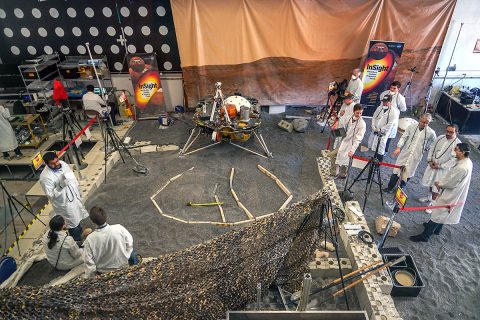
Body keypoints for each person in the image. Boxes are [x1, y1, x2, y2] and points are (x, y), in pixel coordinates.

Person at [410, 143, 472, 242]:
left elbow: (451, 183)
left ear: (462, 152)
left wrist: (439, 184)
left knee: (439, 213)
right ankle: (437, 229)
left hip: (451, 194)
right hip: (454, 192)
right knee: (443, 213)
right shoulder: (467, 161)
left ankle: (425, 236)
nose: (454, 151)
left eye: (456, 150)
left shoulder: (462, 167)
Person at [39, 152, 88, 243]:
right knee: (72, 223)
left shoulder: (63, 164)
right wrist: (59, 187)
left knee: (78, 217)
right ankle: (77, 242)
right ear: (47, 164)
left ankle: (81, 232)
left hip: (74, 196)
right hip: (65, 204)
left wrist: (77, 188)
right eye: (52, 164)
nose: (56, 164)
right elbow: (50, 195)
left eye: (57, 161)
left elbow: (71, 177)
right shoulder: (45, 177)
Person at [383, 114, 436, 192]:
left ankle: (400, 190)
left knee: (408, 173)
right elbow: (404, 137)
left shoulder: (431, 133)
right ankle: (390, 188)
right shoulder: (411, 127)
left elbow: (432, 142)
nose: (424, 124)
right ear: (420, 119)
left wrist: (425, 149)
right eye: (423, 122)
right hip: (405, 153)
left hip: (416, 156)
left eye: (427, 123)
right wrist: (398, 147)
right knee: (396, 171)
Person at [83, 206, 140, 277]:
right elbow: (130, 243)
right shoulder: (119, 228)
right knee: (133, 252)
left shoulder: (90, 239)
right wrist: (126, 256)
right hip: (122, 265)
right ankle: (137, 269)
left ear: (93, 221)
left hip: (103, 272)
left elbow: (88, 261)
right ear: (105, 216)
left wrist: (92, 276)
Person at [420, 124, 461, 212]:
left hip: (443, 170)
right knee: (430, 182)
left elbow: (453, 160)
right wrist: (429, 160)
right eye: (447, 131)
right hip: (432, 165)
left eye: (451, 132)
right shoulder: (440, 137)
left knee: (437, 186)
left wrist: (440, 166)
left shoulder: (458, 144)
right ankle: (429, 197)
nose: (448, 134)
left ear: (456, 132)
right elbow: (432, 149)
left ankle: (433, 203)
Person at [329, 104, 366, 179]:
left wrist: (352, 150)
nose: (359, 115)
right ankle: (334, 173)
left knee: (345, 161)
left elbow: (358, 139)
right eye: (357, 113)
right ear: (353, 111)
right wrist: (335, 131)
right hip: (344, 142)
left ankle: (343, 175)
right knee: (332, 155)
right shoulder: (348, 118)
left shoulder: (362, 124)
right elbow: (342, 128)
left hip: (351, 145)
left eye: (361, 113)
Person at [368, 95, 399, 162]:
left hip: (384, 132)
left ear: (390, 102)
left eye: (386, 102)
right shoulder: (379, 108)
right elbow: (374, 117)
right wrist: (373, 126)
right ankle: (374, 159)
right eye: (383, 102)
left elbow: (390, 124)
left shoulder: (393, 112)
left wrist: (381, 130)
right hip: (376, 130)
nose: (384, 103)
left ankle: (379, 162)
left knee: (381, 147)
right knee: (375, 145)